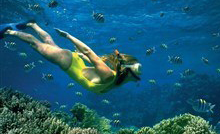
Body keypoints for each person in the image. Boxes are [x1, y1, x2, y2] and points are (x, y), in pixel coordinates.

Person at [0, 21, 142, 93]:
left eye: (135, 78)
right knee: (35, 44)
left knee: (49, 43)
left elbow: (90, 63)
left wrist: (79, 55)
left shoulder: (113, 82)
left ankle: (32, 24)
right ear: (126, 72)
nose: (133, 80)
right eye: (133, 77)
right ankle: (8, 32)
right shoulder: (109, 77)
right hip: (66, 61)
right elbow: (88, 51)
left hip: (71, 60)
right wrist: (68, 36)